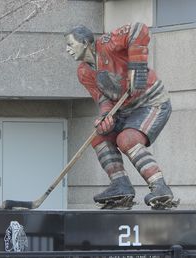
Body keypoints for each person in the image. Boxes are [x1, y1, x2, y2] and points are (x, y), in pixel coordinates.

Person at [65, 23, 175, 209]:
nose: (67, 50)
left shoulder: (108, 44)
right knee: (100, 136)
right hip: (124, 108)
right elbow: (102, 98)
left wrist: (137, 66)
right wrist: (106, 116)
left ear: (85, 42)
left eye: (70, 44)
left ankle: (160, 187)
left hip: (152, 102)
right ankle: (120, 185)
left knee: (127, 139)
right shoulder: (83, 72)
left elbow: (139, 29)